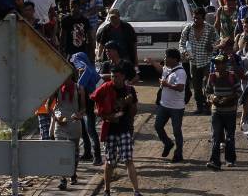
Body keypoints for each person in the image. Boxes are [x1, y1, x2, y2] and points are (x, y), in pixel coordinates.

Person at [92, 62, 143, 196]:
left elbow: (133, 112)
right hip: (109, 130)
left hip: (124, 129)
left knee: (128, 160)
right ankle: (106, 190)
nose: (114, 79)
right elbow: (95, 109)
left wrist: (129, 103)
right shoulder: (105, 88)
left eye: (117, 76)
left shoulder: (129, 90)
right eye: (112, 76)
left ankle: (136, 191)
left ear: (123, 77)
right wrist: (107, 116)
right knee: (109, 162)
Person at [141, 49, 187, 164]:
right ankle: (168, 143)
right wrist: (152, 62)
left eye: (167, 57)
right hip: (164, 105)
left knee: (176, 130)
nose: (164, 59)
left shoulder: (181, 72)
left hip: (176, 107)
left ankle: (178, 153)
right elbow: (160, 69)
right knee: (158, 126)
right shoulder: (168, 68)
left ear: (174, 59)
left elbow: (180, 87)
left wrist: (167, 85)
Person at [51, 71, 86, 190]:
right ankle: (62, 179)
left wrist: (79, 115)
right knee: (60, 151)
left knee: (74, 151)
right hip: (60, 123)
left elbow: (83, 107)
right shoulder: (57, 88)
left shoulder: (79, 88)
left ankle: (72, 172)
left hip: (74, 122)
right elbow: (49, 106)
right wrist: (56, 117)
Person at [206, 54, 241, 169]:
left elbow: (239, 92)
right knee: (216, 136)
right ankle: (215, 161)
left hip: (230, 112)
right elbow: (207, 92)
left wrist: (228, 98)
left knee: (229, 137)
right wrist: (212, 98)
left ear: (225, 64)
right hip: (216, 112)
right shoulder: (212, 77)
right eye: (216, 63)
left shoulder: (232, 76)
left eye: (220, 63)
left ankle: (230, 159)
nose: (217, 65)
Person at [180, 6, 216, 114]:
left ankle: (208, 106)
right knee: (196, 86)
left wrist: (212, 47)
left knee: (207, 84)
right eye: (194, 18)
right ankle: (199, 106)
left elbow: (218, 42)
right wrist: (184, 52)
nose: (196, 20)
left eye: (198, 18)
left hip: (207, 61)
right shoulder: (188, 28)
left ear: (203, 18)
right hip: (193, 62)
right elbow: (181, 43)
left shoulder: (210, 29)